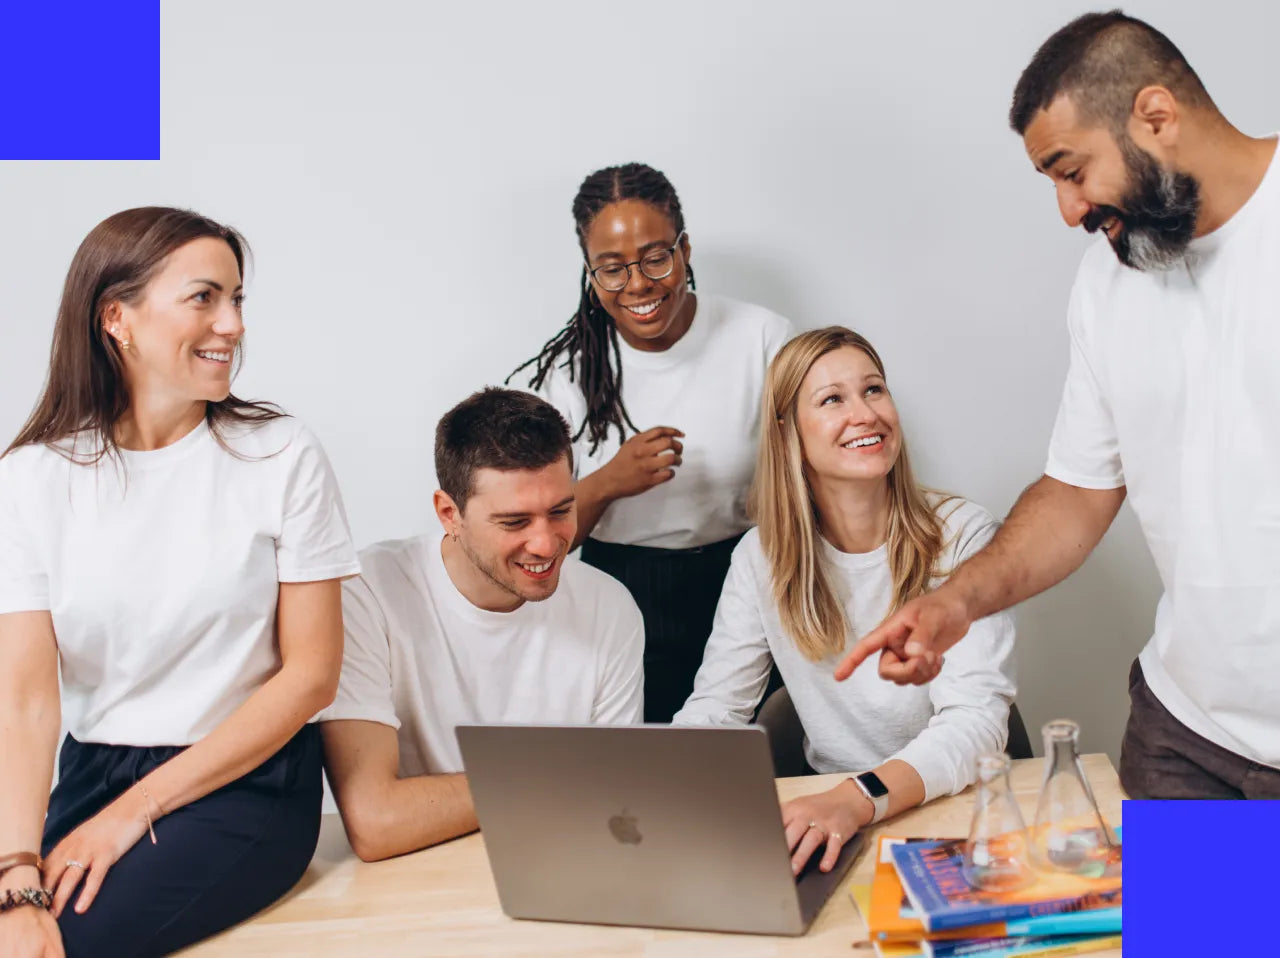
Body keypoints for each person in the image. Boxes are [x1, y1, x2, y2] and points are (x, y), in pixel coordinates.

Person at [836, 11, 1280, 801]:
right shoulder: (1109, 283)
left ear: (1155, 116)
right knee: (1202, 935)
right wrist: (952, 603)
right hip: (1192, 742)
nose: (1068, 211)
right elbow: (1078, 493)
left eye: (1071, 171)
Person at [0, 208, 359, 957]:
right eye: (204, 298)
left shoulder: (280, 454)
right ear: (116, 318)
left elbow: (311, 678)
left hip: (245, 782)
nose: (231, 323)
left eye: (237, 300)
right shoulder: (33, 479)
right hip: (93, 771)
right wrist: (16, 872)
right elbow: (27, 702)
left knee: (71, 946)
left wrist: (135, 811)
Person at [674, 327, 1016, 874]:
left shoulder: (964, 535)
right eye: (833, 399)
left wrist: (856, 800)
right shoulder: (760, 557)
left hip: (951, 809)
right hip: (835, 819)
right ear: (788, 431)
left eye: (874, 390)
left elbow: (975, 725)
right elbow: (718, 711)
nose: (865, 414)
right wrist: (647, 786)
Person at [511, 162, 794, 722]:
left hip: (749, 579)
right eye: (612, 269)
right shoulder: (565, 376)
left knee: (761, 761)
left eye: (655, 258)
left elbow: (817, 479)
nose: (637, 285)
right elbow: (532, 540)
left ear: (684, 249)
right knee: (648, 780)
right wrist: (610, 482)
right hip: (621, 590)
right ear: (591, 275)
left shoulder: (762, 338)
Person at [320, 388, 644, 862]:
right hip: (416, 873)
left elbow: (613, 802)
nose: (546, 543)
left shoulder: (610, 606)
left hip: (561, 858)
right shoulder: (366, 595)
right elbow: (376, 823)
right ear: (449, 514)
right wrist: (557, 773)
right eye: (515, 522)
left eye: (561, 510)